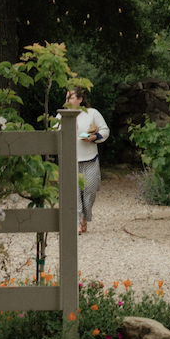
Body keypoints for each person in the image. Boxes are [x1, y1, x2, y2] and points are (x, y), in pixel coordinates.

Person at [63, 87, 109, 234]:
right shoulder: (62, 115)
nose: (67, 101)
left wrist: (93, 137)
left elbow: (105, 130)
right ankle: (77, 223)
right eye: (67, 98)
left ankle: (84, 216)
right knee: (74, 193)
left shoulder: (92, 113)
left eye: (71, 98)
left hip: (90, 159)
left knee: (89, 190)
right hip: (71, 161)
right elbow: (54, 132)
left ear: (80, 99)